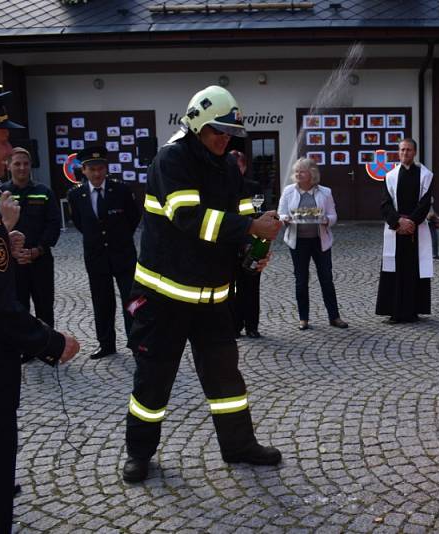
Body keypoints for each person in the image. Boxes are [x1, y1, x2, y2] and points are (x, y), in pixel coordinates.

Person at [122, 85, 283, 483]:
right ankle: (139, 453)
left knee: (227, 381)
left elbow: (241, 214)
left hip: (212, 300)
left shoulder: (228, 165)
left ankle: (238, 446)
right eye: (218, 131)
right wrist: (248, 226)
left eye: (230, 133)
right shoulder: (171, 160)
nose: (225, 138)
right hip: (164, 299)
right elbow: (189, 218)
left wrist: (254, 250)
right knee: (153, 384)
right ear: (196, 123)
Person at [0, 89, 80, 533]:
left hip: (37, 264)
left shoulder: (39, 194)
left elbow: (51, 228)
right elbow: (2, 310)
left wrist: (13, 245)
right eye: (3, 140)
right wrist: (53, 343)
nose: (11, 151)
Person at [67, 146, 141, 359]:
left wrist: (120, 238)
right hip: (96, 257)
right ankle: (106, 344)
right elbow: (80, 223)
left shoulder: (121, 191)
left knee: (131, 301)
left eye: (100, 168)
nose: (97, 173)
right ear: (83, 170)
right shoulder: (76, 195)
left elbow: (133, 218)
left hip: (123, 255)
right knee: (102, 302)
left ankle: (135, 342)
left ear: (106, 169)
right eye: (92, 169)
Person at [278, 157, 348, 331]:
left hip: (320, 241)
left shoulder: (325, 192)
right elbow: (281, 213)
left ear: (312, 174)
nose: (298, 174)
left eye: (302, 171)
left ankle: (334, 317)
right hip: (298, 242)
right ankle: (303, 318)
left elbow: (333, 216)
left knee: (326, 279)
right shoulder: (288, 191)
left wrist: (325, 220)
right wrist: (285, 218)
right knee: (301, 280)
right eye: (296, 171)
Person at [3, 147, 61, 338]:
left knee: (45, 305)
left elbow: (53, 224)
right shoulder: (0, 194)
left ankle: (48, 348)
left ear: (31, 166)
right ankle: (25, 347)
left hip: (40, 260)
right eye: (17, 163)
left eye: (26, 164)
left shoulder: (44, 192)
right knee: (18, 306)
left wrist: (38, 249)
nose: (22, 168)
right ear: (9, 165)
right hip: (12, 263)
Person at [375, 138, 434, 323]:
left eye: (408, 150)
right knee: (395, 270)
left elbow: (425, 204)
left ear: (414, 152)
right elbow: (385, 204)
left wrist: (412, 222)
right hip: (396, 230)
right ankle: (395, 311)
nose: (404, 153)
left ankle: (413, 311)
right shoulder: (390, 176)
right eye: (402, 150)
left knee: (415, 270)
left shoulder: (425, 175)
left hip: (416, 230)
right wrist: (398, 222)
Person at [229, 149, 263, 338]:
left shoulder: (254, 187)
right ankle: (235, 326)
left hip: (250, 244)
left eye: (238, 167)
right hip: (229, 245)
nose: (235, 171)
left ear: (244, 167)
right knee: (232, 288)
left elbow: (259, 215)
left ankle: (252, 326)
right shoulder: (221, 188)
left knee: (251, 287)